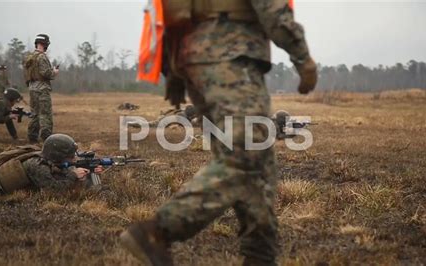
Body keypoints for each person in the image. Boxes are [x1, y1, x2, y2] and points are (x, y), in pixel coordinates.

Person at [120, 1, 317, 265]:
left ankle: (261, 257)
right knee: (245, 156)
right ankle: (159, 230)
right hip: (230, 58)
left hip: (196, 59)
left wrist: (174, 71)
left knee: (257, 163)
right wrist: (302, 57)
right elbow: (271, 8)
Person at [0, 134, 103, 196]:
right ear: (58, 156)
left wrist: (88, 171)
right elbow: (54, 191)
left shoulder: (49, 158)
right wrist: (73, 175)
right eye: (70, 156)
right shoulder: (37, 165)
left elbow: (59, 173)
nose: (73, 158)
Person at [24, 34, 59, 143]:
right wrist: (54, 72)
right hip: (42, 88)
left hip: (32, 88)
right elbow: (46, 73)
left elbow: (27, 74)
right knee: (45, 114)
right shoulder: (42, 57)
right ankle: (47, 138)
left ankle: (32, 137)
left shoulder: (29, 57)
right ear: (45, 44)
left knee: (34, 113)